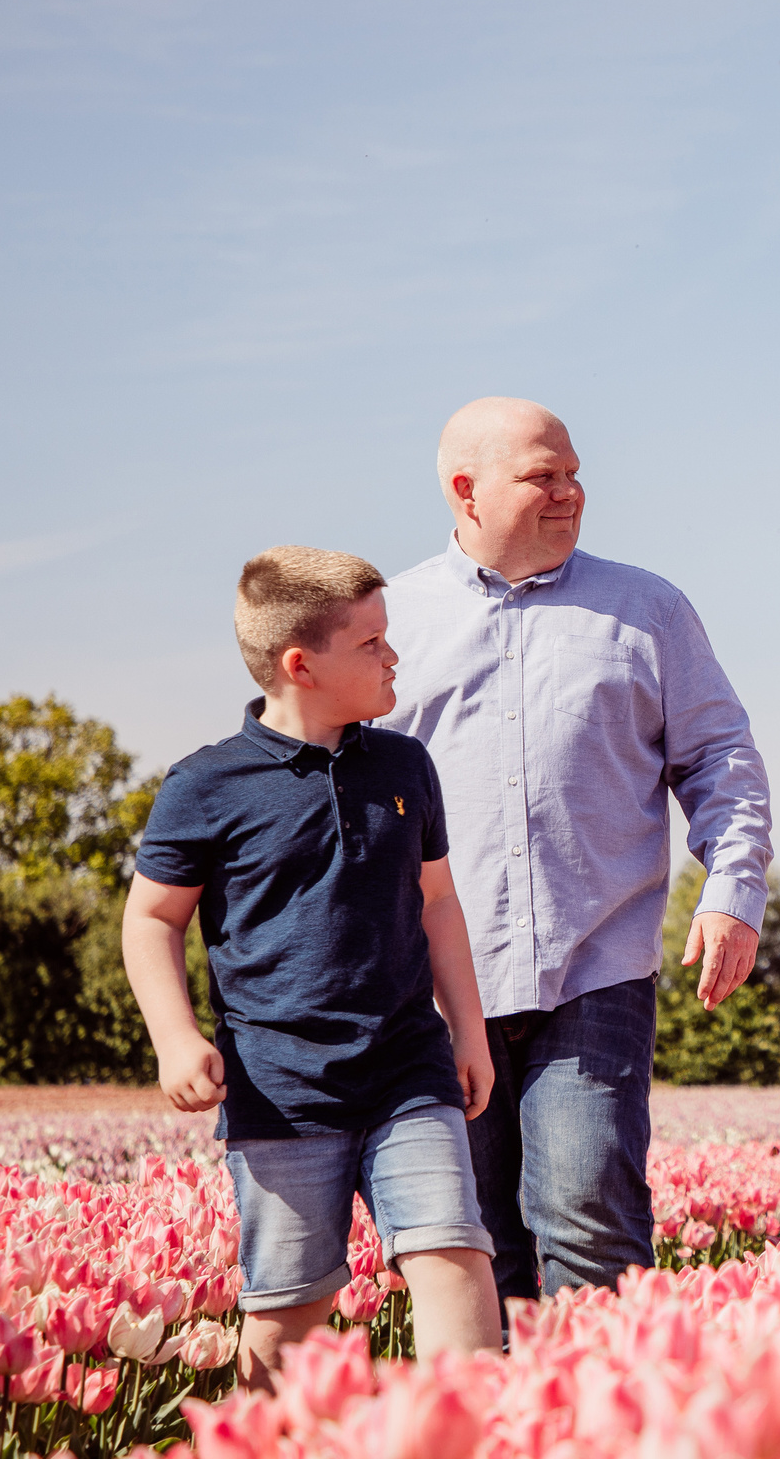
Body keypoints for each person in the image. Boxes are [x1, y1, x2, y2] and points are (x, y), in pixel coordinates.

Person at [380, 397, 773, 1307]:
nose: (570, 492)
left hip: (596, 965)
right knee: (470, 1244)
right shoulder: (391, 618)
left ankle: (602, 1398)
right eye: (542, 476)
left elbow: (720, 755)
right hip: (435, 982)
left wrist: (732, 889)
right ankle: (498, 1401)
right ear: (467, 490)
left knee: (589, 1220)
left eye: (574, 473)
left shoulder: (649, 610)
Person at [121, 546, 501, 1388]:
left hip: (408, 1067)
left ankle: (473, 1442)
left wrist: (467, 1032)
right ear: (301, 665)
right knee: (291, 1303)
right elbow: (150, 918)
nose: (393, 655)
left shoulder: (405, 766)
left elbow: (438, 902)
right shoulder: (206, 785)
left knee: (451, 1251)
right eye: (370, 642)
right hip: (281, 1088)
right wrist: (175, 1039)